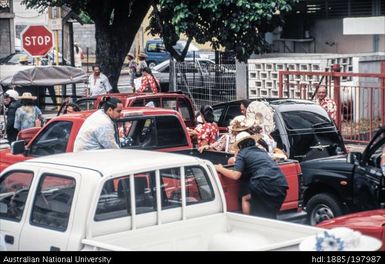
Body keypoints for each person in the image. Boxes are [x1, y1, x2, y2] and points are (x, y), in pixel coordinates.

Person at [214, 132, 288, 219]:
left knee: (251, 206)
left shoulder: (243, 153)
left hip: (264, 184)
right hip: (281, 184)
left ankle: (248, 223)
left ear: (240, 145)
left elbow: (235, 175)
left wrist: (220, 168)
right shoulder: (261, 151)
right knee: (270, 216)